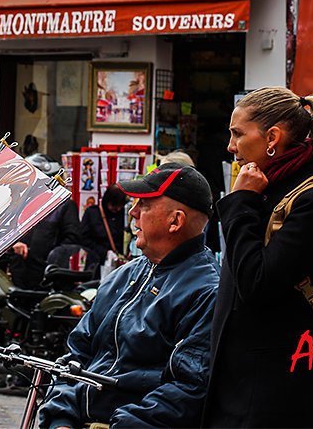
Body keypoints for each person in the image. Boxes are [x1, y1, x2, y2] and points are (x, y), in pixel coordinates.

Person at [202, 87, 313, 428]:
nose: (230, 146)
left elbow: (257, 282)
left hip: (277, 393)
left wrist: (240, 202)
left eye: (238, 134)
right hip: (246, 385)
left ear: (272, 137)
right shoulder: (269, 190)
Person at [38, 163, 220, 429]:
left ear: (176, 221)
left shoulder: (207, 291)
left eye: (144, 204)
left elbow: (188, 390)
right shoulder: (124, 275)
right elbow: (76, 353)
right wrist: (61, 417)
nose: (132, 212)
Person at [8, 154, 81, 289]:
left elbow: (72, 240)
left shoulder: (64, 205)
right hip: (17, 272)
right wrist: (12, 245)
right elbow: (3, 231)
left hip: (46, 276)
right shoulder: (19, 202)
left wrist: (53, 260)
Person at [79, 183, 127, 271]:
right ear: (107, 201)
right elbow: (83, 238)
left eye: (120, 205)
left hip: (119, 265)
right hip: (96, 264)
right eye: (114, 205)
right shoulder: (93, 213)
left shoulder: (124, 214)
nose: (118, 209)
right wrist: (105, 253)